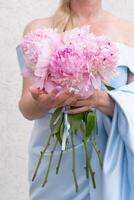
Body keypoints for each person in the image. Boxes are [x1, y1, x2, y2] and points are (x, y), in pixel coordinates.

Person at [16, 0, 134, 199]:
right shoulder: (38, 30)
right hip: (56, 162)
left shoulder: (129, 32)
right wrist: (41, 103)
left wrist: (102, 99)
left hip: (109, 158)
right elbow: (26, 107)